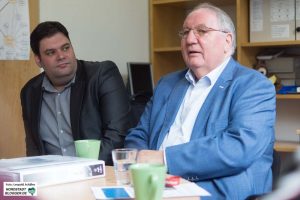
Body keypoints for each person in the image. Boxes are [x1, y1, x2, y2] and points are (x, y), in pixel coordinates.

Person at [125, 3, 276, 199]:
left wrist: (163, 159)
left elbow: (238, 147)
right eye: (185, 32)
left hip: (215, 190)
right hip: (154, 185)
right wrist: (138, 163)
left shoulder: (254, 85)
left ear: (227, 41)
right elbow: (140, 133)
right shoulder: (167, 84)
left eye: (202, 31)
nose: (189, 39)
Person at [21, 21, 132, 165]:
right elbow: (33, 146)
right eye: (51, 52)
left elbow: (117, 135)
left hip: (97, 173)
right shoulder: (30, 92)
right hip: (51, 177)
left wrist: (83, 170)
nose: (61, 56)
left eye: (65, 48)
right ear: (38, 60)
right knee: (13, 188)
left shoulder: (102, 75)